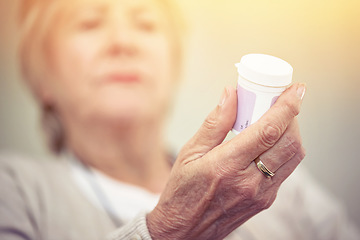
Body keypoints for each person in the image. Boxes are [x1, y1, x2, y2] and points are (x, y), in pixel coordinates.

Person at [0, 0, 358, 239]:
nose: (123, 42)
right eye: (89, 23)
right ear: (41, 75)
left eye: (146, 24)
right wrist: (170, 229)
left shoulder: (274, 186)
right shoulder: (14, 191)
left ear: (172, 66)